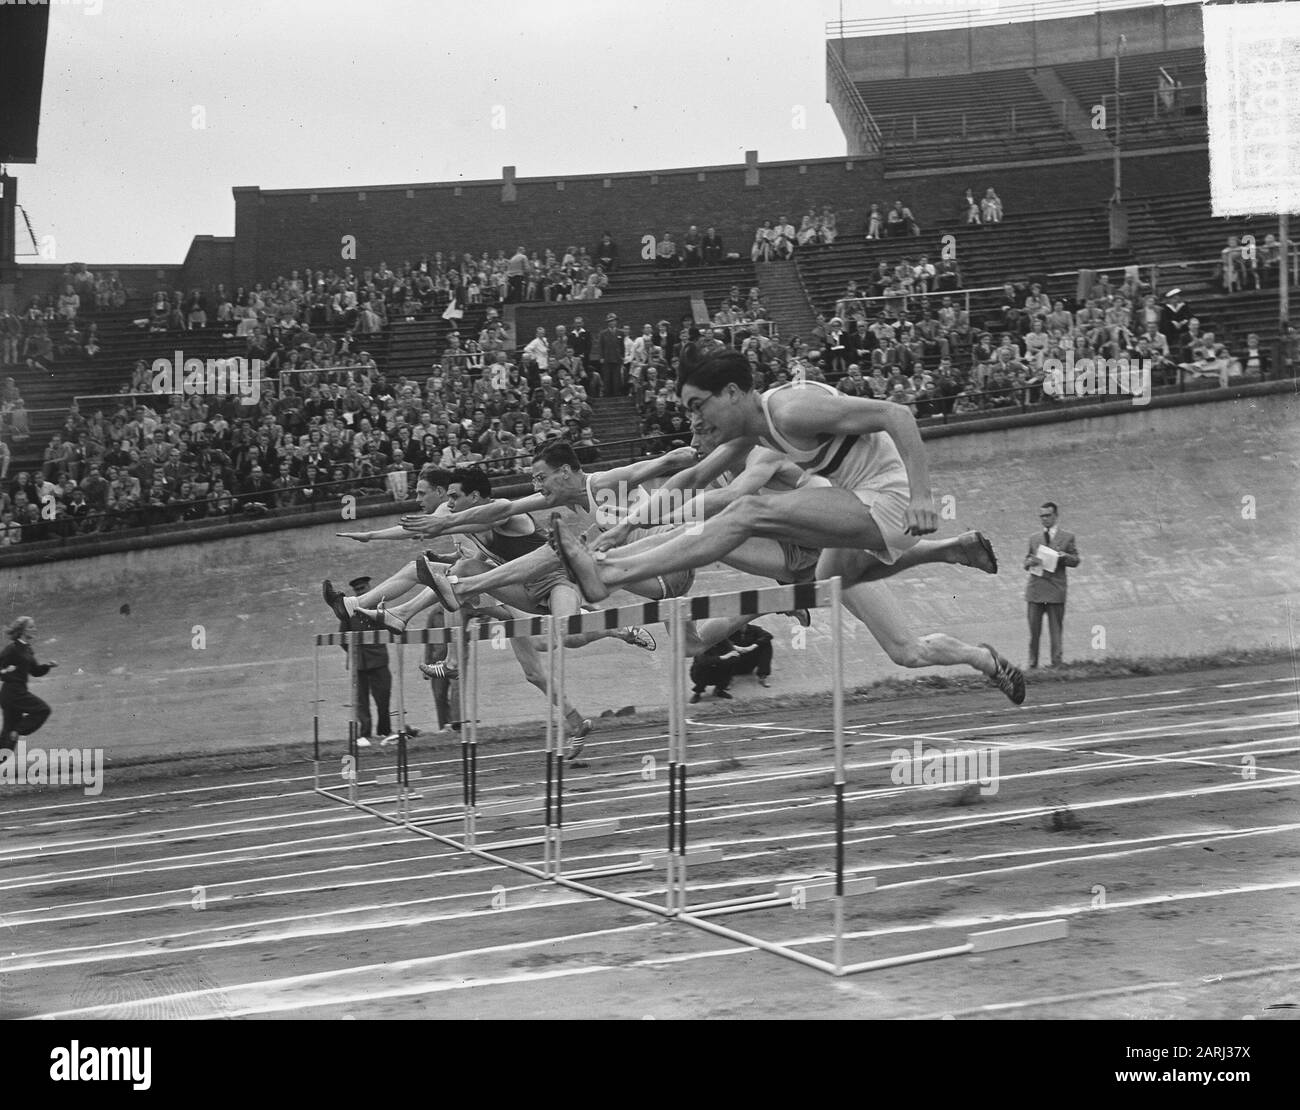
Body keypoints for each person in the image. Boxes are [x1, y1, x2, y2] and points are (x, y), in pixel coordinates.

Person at [550, 349, 1025, 704]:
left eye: (698, 407)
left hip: (890, 503)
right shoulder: (751, 431)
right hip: (846, 520)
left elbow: (895, 414)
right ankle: (984, 658)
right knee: (902, 648)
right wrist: (622, 528)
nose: (693, 420)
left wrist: (923, 495)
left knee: (743, 512)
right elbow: (691, 478)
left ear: (733, 394)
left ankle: (610, 573)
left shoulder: (789, 413)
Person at [340, 575, 396, 747]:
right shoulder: (348, 612)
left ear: (369, 588)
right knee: (361, 701)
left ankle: (384, 732)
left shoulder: (379, 608)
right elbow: (343, 638)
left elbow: (389, 629)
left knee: (383, 697)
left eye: (363, 589)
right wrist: (354, 653)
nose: (360, 592)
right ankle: (364, 734)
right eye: (357, 590)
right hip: (359, 664)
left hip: (378, 661)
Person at [1024, 501, 1080, 668]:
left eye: (1048, 515)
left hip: (1055, 591)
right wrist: (1030, 561)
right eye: (1042, 516)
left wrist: (1064, 557)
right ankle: (1032, 665)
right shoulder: (1034, 538)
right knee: (1034, 632)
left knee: (1056, 631)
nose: (1044, 519)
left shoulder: (1067, 537)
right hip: (1035, 590)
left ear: (1056, 516)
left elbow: (1076, 560)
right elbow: (1025, 562)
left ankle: (1057, 663)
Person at [0, 616, 57, 750]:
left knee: (7, 744)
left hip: (17, 692)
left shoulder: (27, 649)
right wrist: (6, 671)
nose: (34, 629)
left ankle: (14, 732)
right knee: (43, 709)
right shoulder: (12, 649)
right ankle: (17, 731)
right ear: (22, 630)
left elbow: (35, 671)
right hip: (13, 693)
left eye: (34, 626)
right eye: (31, 627)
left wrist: (48, 665)